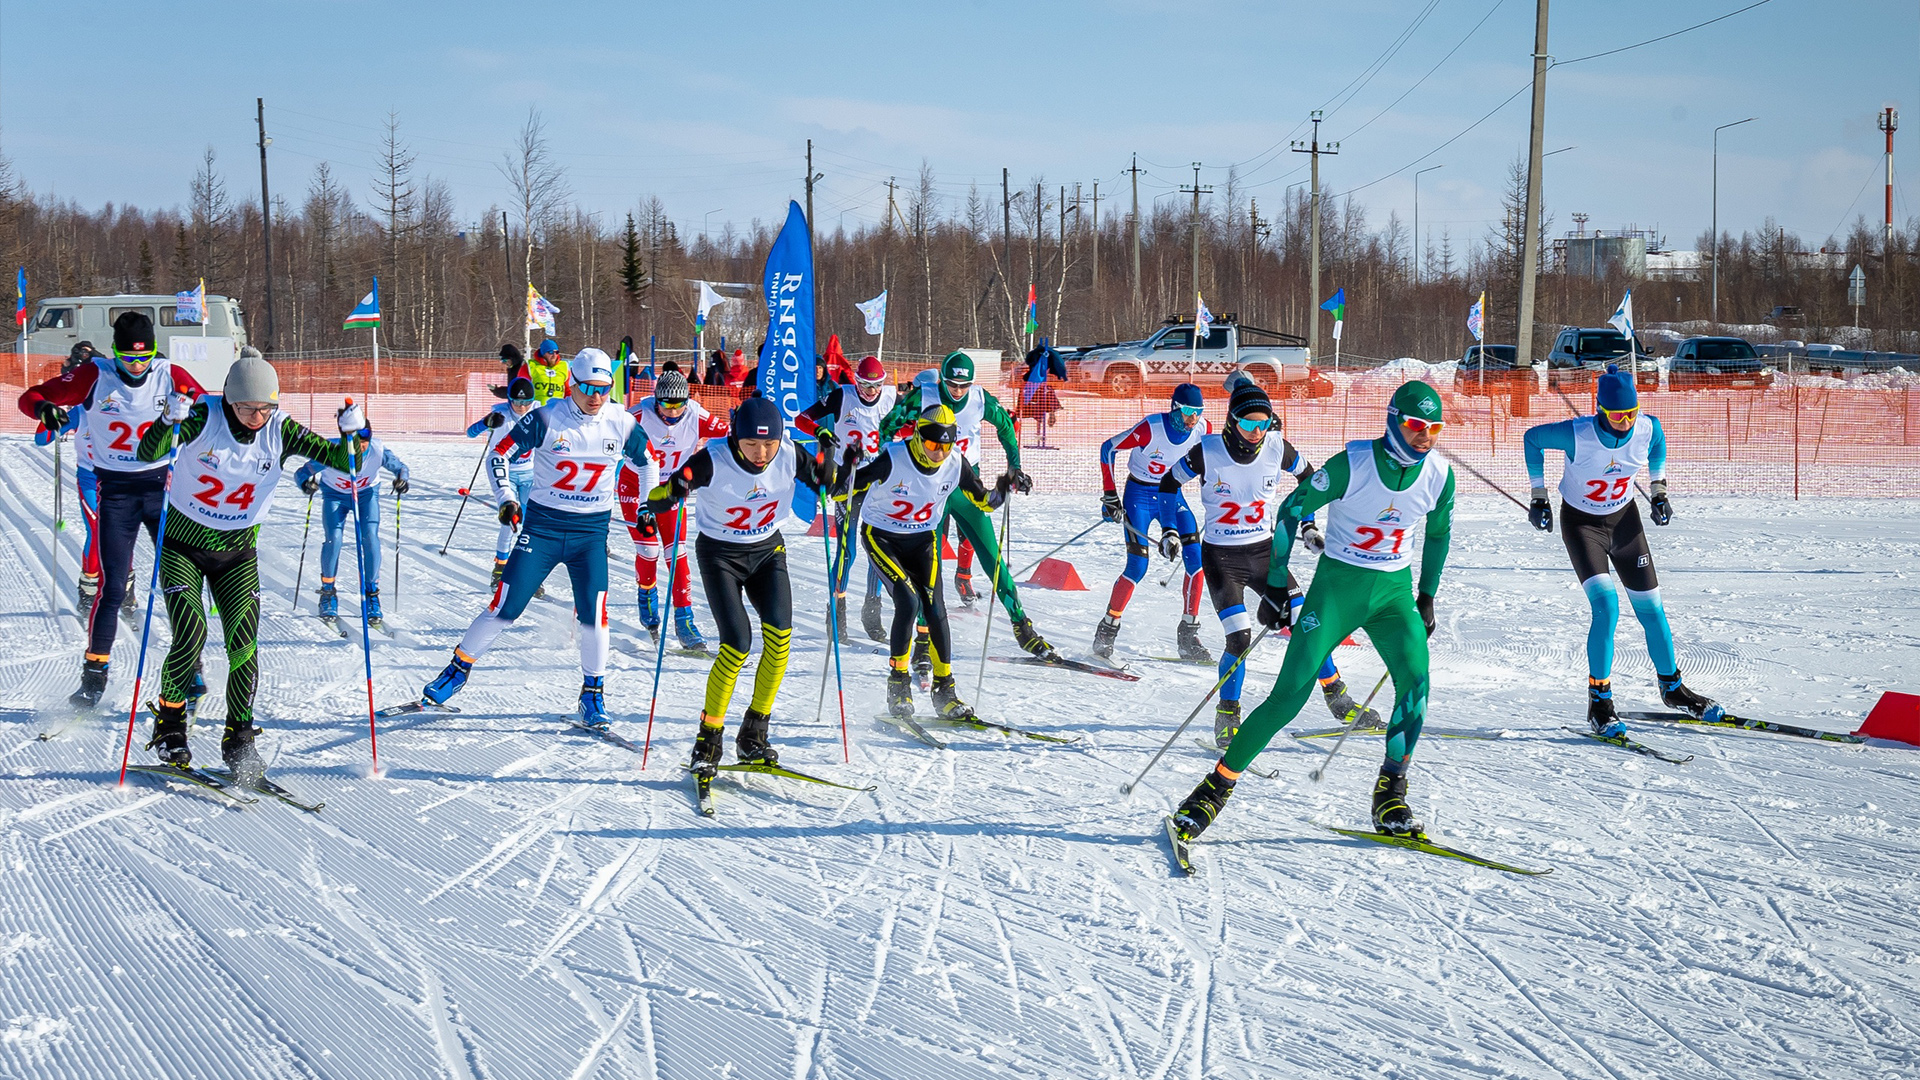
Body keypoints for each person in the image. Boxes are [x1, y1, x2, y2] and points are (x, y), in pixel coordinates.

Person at [1171, 380, 1457, 843]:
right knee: (1289, 698)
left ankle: (1391, 793)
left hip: (1393, 596)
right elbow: (1289, 510)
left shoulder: (1440, 475)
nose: (1424, 436)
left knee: (1417, 683)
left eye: (1434, 428)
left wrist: (1426, 595)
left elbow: (1439, 534)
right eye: (1414, 425)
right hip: (1335, 593)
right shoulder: (1354, 464)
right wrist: (1279, 582)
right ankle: (1213, 789)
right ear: (1393, 421)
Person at [133, 353, 356, 779]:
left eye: (265, 407)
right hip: (183, 546)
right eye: (247, 408)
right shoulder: (204, 415)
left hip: (237, 554)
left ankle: (239, 739)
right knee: (191, 633)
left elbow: (347, 462)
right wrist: (167, 421)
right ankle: (170, 724)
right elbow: (148, 452)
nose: (257, 416)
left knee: (244, 646)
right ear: (229, 400)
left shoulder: (280, 428)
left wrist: (354, 432)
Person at [416, 348, 654, 729]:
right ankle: (458, 670)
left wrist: (646, 507)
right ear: (570, 385)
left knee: (595, 617)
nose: (596, 397)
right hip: (542, 529)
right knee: (505, 608)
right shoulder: (546, 418)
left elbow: (648, 463)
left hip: (590, 535)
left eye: (604, 389)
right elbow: (500, 454)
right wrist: (508, 498)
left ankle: (593, 694)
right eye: (588, 388)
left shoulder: (621, 423)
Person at [1158, 378, 1377, 749]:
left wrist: (1307, 523)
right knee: (1240, 637)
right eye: (1248, 424)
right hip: (1222, 559)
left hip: (1265, 555)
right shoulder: (1206, 450)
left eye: (1264, 424)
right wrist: (1170, 529)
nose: (1257, 432)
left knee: (1307, 622)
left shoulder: (1278, 447)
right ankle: (1227, 715)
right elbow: (1167, 485)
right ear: (1231, 422)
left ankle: (1338, 698)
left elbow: (1311, 479)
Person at [18, 311, 208, 707]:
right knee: (113, 587)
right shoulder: (93, 374)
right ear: (116, 352)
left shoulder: (169, 374)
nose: (137, 366)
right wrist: (44, 410)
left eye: (144, 357)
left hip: (162, 490)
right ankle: (94, 675)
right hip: (115, 491)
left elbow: (211, 412)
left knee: (180, 583)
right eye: (128, 358)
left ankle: (191, 666)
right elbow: (31, 396)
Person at [1523, 363, 1719, 737]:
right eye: (1617, 414)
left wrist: (1659, 490)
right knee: (1607, 607)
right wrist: (1538, 495)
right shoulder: (1576, 434)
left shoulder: (1648, 427)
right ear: (1600, 409)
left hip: (1625, 523)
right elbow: (1532, 439)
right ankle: (1600, 702)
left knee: (1652, 609)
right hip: (1582, 526)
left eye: (1632, 412)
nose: (1626, 421)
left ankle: (1673, 688)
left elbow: (1658, 443)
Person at [648, 395, 838, 771]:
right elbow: (662, 495)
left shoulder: (788, 453)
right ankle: (709, 738)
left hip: (767, 551)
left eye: (768, 443)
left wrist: (828, 456)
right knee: (737, 644)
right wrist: (671, 494)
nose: (761, 452)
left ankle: (754, 733)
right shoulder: (713, 458)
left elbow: (825, 483)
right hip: (720, 555)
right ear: (736, 437)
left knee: (780, 639)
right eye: (751, 443)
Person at [877, 351, 1056, 663]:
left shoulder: (979, 399)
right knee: (927, 568)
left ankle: (1022, 627)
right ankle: (922, 638)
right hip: (929, 489)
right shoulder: (924, 395)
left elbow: (1006, 429)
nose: (956, 391)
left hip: (964, 484)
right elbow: (888, 425)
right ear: (942, 379)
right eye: (951, 384)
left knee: (992, 557)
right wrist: (890, 465)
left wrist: (1014, 468)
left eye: (963, 385)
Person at [844, 404, 1011, 721]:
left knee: (935, 607)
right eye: (933, 444)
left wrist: (1003, 487)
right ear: (919, 437)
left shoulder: (954, 463)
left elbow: (983, 501)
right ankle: (898, 683)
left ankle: (944, 690)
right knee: (907, 601)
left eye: (946, 446)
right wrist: (848, 470)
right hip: (882, 537)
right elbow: (843, 492)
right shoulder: (894, 457)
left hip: (922, 540)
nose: (939, 453)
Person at [1094, 383, 1212, 664]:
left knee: (1197, 561)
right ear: (1174, 408)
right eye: (1186, 412)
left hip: (1173, 494)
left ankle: (1188, 638)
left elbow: (1211, 461)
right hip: (1140, 493)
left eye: (1197, 413)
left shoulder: (1202, 429)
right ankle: (1107, 630)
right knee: (1138, 566)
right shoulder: (1151, 427)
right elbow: (1108, 448)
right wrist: (1110, 496)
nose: (1191, 419)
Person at [617, 370, 729, 646]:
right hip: (635, 485)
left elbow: (730, 435)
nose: (673, 411)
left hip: (670, 491)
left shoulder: (695, 414)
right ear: (656, 401)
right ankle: (647, 593)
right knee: (649, 549)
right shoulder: (638, 416)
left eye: (679, 404)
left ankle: (685, 621)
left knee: (676, 553)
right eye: (666, 404)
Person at [794, 354, 896, 641]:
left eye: (876, 386)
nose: (871, 392)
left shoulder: (891, 398)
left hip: (877, 478)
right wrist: (821, 430)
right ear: (856, 381)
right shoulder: (842, 396)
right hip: (847, 479)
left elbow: (911, 425)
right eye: (865, 385)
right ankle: (836, 612)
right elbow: (801, 419)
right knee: (847, 550)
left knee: (879, 546)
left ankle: (872, 612)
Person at [295, 399, 411, 631]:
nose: (362, 447)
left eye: (365, 441)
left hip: (367, 495)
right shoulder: (330, 451)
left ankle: (372, 594)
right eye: (358, 442)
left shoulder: (377, 449)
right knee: (334, 539)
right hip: (335, 496)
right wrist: (306, 483)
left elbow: (400, 467)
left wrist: (402, 479)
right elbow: (302, 472)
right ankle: (328, 592)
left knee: (370, 536)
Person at [465, 377, 539, 585]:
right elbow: (470, 433)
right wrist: (485, 423)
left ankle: (529, 569)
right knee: (510, 520)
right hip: (505, 472)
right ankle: (500, 568)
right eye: (517, 402)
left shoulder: (537, 413)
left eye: (527, 402)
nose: (522, 407)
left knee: (532, 523)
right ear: (509, 400)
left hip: (531, 473)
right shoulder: (501, 414)